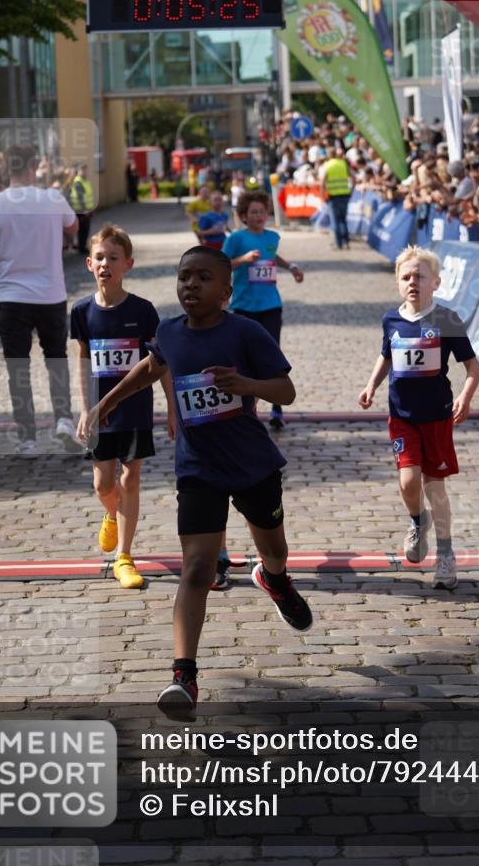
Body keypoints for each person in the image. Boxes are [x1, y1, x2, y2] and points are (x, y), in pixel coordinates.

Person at [83, 245, 313, 720]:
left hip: (251, 463)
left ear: (227, 290)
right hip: (198, 468)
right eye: (184, 276)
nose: (191, 285)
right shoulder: (168, 332)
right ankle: (183, 677)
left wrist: (248, 386)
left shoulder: (245, 331)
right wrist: (105, 403)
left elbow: (285, 389)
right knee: (196, 570)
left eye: (203, 278)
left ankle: (275, 581)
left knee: (274, 548)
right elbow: (152, 366)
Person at [359, 245, 479, 588]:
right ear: (398, 283)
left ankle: (445, 553)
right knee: (408, 482)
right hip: (402, 415)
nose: (413, 282)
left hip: (437, 416)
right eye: (406, 277)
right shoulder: (391, 320)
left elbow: (473, 366)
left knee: (435, 486)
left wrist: (466, 396)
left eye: (420, 276)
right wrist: (370, 385)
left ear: (436, 283)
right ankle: (417, 522)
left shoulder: (446, 319)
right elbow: (386, 356)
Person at [71, 225, 175, 589]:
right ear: (88, 264)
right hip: (101, 416)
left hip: (135, 410)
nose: (105, 264)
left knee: (131, 477)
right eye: (99, 257)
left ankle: (124, 556)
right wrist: (86, 409)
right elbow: (83, 362)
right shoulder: (82, 312)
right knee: (103, 485)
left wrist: (172, 409)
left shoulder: (144, 311)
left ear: (127, 264)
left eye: (113, 258)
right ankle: (111, 515)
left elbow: (159, 364)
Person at [0, 144, 82, 456]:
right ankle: (63, 420)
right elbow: (73, 226)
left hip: (11, 296)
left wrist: (6, 256)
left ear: (7, 168)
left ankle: (27, 439)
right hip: (51, 294)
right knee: (56, 359)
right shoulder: (52, 198)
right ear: (35, 164)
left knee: (17, 368)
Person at [223, 189, 303, 430]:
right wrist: (242, 259)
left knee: (272, 358)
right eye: (253, 212)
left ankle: (276, 409)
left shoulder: (272, 236)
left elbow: (272, 255)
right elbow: (219, 263)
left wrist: (291, 267)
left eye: (262, 212)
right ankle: (248, 408)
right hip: (244, 307)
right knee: (245, 360)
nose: (258, 216)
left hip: (271, 306)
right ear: (244, 216)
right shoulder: (236, 239)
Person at [319, 146, 353, 250]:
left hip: (333, 197)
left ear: (329, 155)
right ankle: (346, 242)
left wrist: (322, 196)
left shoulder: (327, 165)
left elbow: (322, 182)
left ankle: (339, 244)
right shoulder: (343, 163)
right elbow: (354, 178)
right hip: (345, 195)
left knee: (335, 221)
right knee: (343, 220)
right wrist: (351, 191)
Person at [69, 163, 96, 254]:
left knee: (85, 229)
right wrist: (85, 210)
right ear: (79, 171)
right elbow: (80, 197)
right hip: (81, 210)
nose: (85, 172)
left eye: (86, 170)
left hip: (86, 209)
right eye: (83, 170)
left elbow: (88, 196)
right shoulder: (78, 182)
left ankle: (82, 246)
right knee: (83, 230)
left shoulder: (85, 181)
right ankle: (81, 248)